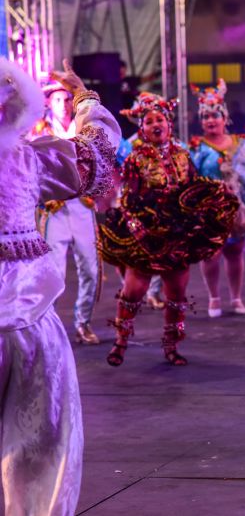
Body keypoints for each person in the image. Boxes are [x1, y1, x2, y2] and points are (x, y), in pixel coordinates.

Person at [0, 58, 120, 516]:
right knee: (39, 449)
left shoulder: (29, 157)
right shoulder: (29, 159)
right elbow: (95, 151)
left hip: (27, 323)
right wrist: (84, 98)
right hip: (27, 328)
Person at [99, 92, 239, 367]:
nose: (155, 125)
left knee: (176, 295)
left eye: (160, 119)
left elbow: (194, 188)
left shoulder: (183, 156)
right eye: (149, 121)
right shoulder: (135, 159)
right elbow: (126, 199)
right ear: (143, 128)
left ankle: (171, 347)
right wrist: (137, 227)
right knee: (133, 292)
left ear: (169, 124)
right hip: (147, 235)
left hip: (178, 235)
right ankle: (121, 342)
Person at [189, 79, 245, 316]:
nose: (211, 121)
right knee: (211, 254)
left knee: (235, 252)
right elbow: (191, 178)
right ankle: (214, 298)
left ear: (224, 118)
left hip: (236, 208)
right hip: (209, 210)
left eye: (215, 116)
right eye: (206, 117)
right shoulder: (197, 149)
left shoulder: (240, 143)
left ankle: (236, 298)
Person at [30, 80, 103, 345]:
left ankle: (83, 322)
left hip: (82, 208)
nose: (64, 105)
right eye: (58, 100)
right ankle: (51, 327)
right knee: (54, 273)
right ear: (49, 103)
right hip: (55, 211)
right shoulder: (38, 132)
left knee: (91, 270)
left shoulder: (82, 129)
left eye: (68, 99)